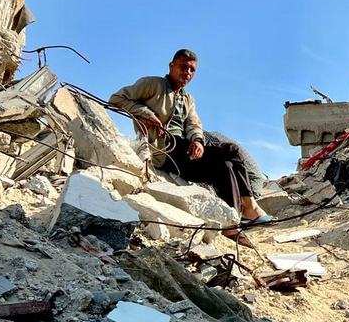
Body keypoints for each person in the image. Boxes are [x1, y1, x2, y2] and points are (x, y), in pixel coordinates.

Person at [109, 49, 271, 224]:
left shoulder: (187, 98)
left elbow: (194, 124)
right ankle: (250, 207)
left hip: (184, 154)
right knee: (231, 150)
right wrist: (147, 114)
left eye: (192, 70)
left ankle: (232, 221)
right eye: (183, 67)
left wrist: (198, 141)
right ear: (172, 66)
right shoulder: (153, 84)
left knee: (225, 165)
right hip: (164, 151)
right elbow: (116, 99)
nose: (187, 73)